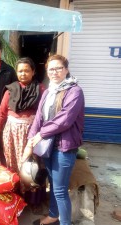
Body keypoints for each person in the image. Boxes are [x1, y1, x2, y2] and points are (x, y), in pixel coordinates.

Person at [22, 54, 85, 225]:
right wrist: (30, 140)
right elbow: (38, 119)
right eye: (51, 69)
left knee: (60, 190)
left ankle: (64, 222)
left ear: (66, 70)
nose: (55, 72)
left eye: (59, 68)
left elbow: (65, 118)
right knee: (54, 185)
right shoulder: (49, 91)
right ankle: (53, 216)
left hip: (64, 147)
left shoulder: (75, 91)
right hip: (48, 147)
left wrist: (40, 134)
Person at [0, 57, 46, 211]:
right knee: (13, 164)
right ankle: (16, 199)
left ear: (33, 72)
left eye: (27, 70)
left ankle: (34, 200)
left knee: (32, 165)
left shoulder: (41, 89)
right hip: (11, 134)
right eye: (20, 71)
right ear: (16, 72)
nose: (23, 73)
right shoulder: (11, 89)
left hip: (31, 134)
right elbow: (2, 113)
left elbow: (44, 114)